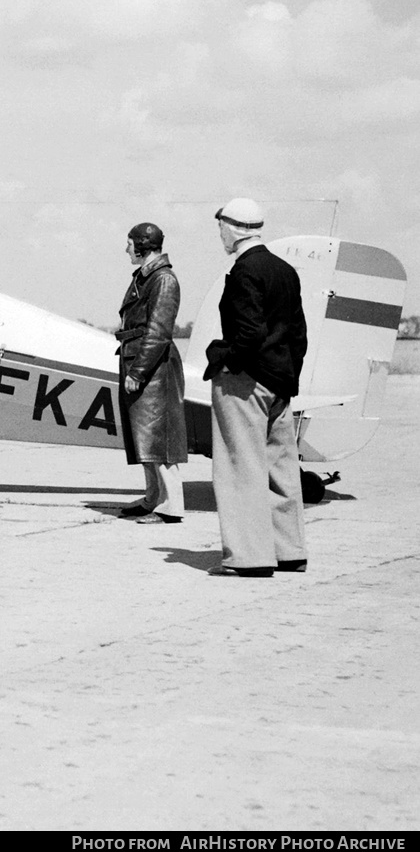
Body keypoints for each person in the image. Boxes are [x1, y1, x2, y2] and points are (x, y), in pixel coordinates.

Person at [203, 197, 309, 578]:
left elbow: (248, 333)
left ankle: (250, 558)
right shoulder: (285, 270)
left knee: (240, 467)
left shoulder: (244, 271)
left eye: (220, 228)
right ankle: (289, 552)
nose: (219, 235)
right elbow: (298, 335)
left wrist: (227, 360)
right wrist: (286, 377)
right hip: (280, 382)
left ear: (232, 229)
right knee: (281, 468)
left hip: (246, 383)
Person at [114, 222, 188, 524]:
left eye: (129, 243)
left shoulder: (163, 279)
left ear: (142, 245)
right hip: (140, 361)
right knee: (145, 438)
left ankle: (171, 506)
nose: (126, 249)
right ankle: (152, 499)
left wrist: (138, 371)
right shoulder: (146, 277)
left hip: (155, 368)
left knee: (159, 439)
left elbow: (158, 331)